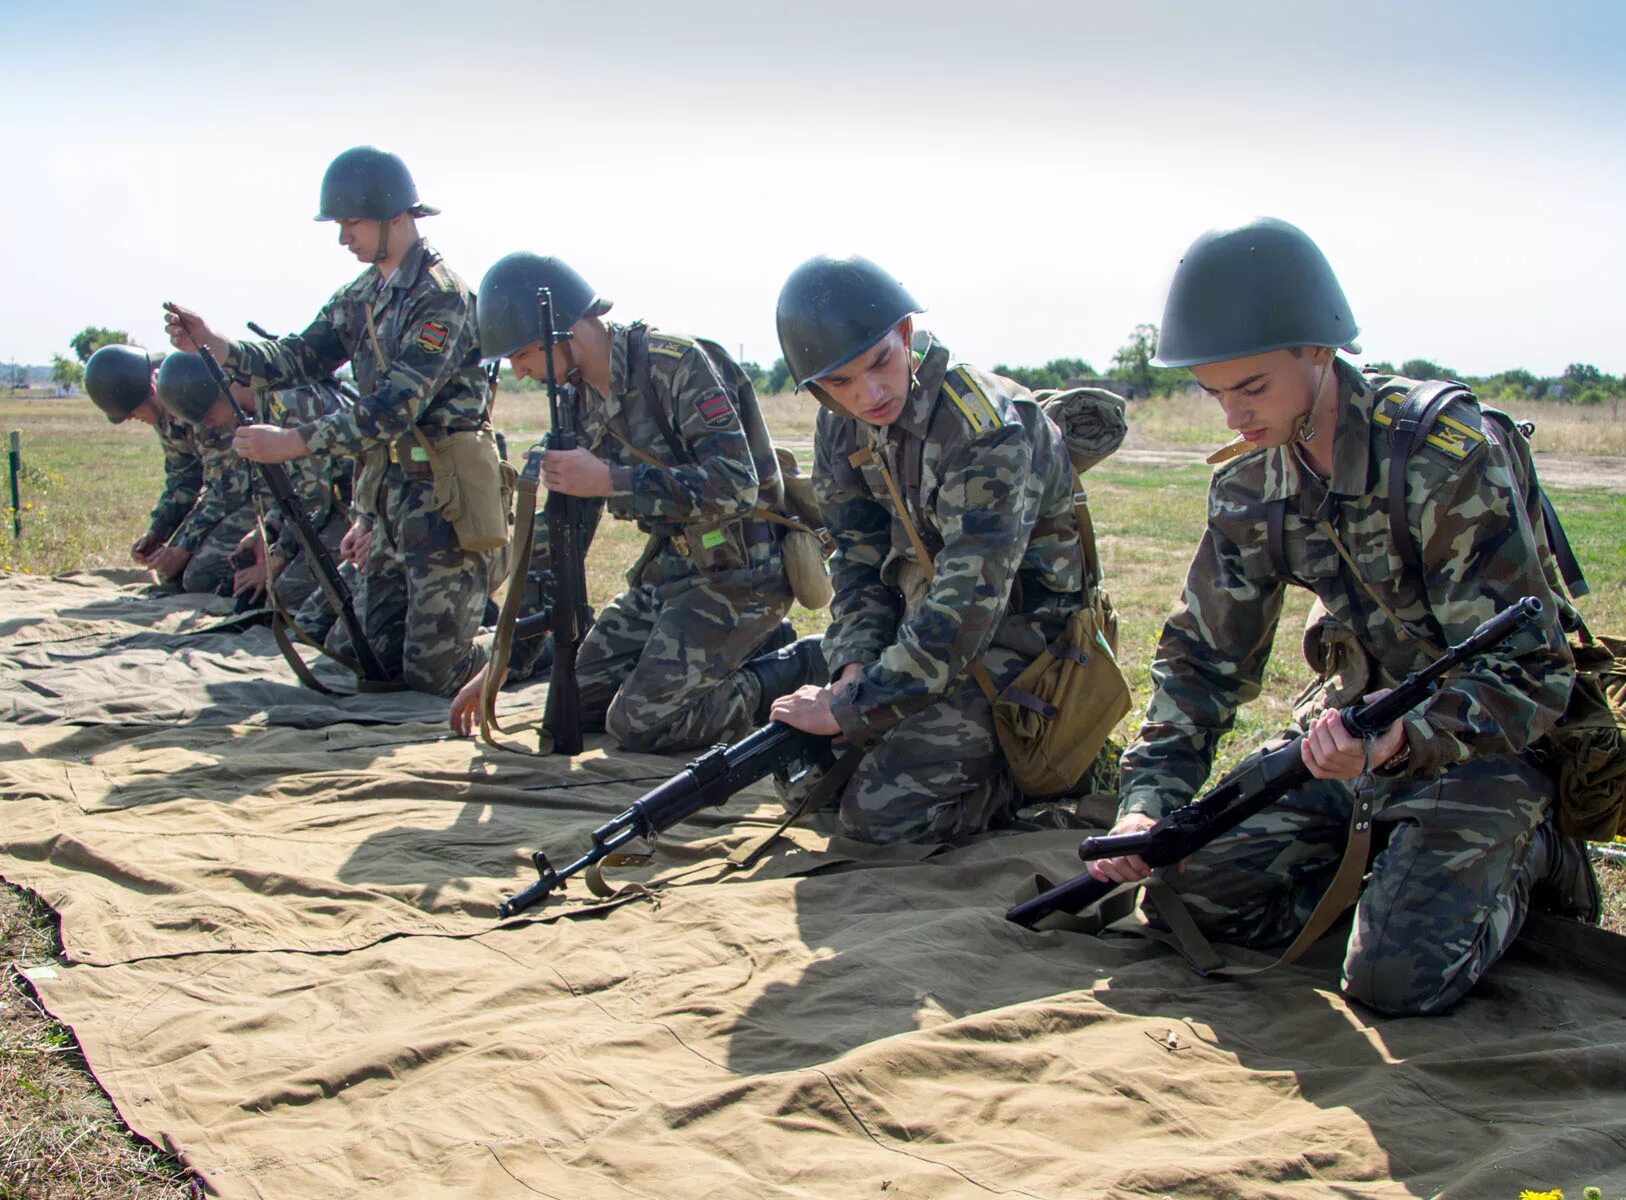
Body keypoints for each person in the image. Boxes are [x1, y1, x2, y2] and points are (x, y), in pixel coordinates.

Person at [1087, 217, 1596, 1016]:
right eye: (1213, 392)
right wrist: (1147, 803)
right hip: (1347, 744)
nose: (1232, 418)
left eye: (1251, 389)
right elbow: (1201, 662)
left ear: (1318, 351)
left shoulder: (1441, 459)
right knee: (1189, 897)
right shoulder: (1253, 483)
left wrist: (1403, 739)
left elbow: (1531, 673)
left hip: (1481, 746)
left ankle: (1536, 853)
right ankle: (1400, 880)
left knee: (1394, 983)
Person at [766, 254, 1084, 842]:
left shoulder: (982, 427)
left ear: (905, 335)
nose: (869, 392)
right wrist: (853, 668)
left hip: (1023, 644)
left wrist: (855, 706)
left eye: (881, 362)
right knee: (810, 781)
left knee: (876, 815)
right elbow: (857, 563)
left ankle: (1044, 773)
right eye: (839, 382)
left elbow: (968, 610)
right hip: (925, 629)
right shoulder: (840, 424)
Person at [446, 251, 820, 752]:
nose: (520, 371)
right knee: (572, 707)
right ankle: (744, 651)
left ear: (561, 331)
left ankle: (794, 666)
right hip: (670, 576)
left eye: (522, 354)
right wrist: (504, 660)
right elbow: (560, 539)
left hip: (743, 572)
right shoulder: (575, 403)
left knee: (641, 724)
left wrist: (609, 480)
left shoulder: (676, 365)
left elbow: (736, 486)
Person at [163, 146, 501, 695]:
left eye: (352, 222)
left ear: (396, 217)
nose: (344, 237)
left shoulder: (442, 299)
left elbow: (392, 410)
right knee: (354, 657)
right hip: (389, 497)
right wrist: (216, 344)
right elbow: (298, 357)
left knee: (432, 675)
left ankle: (522, 647)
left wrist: (292, 443)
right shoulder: (361, 296)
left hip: (446, 499)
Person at [152, 350, 355, 616]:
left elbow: (313, 497)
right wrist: (264, 532)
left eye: (208, 415)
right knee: (255, 593)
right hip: (326, 511)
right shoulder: (261, 407)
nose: (208, 424)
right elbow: (288, 488)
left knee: (283, 600)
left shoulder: (291, 401)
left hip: (350, 514)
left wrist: (275, 561)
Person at [81, 343, 238, 594]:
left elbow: (228, 486)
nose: (131, 418)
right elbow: (183, 479)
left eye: (133, 410)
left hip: (254, 498)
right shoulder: (163, 417)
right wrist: (157, 533)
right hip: (226, 499)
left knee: (200, 576)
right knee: (170, 576)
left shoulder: (196, 401)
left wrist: (184, 548)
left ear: (152, 389)